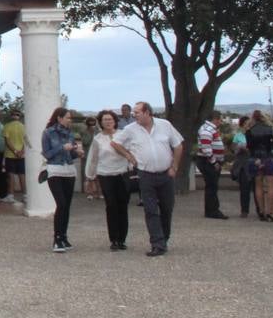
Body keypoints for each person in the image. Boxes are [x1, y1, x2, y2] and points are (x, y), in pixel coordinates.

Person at [111, 101, 184, 257]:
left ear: (147, 112)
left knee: (167, 208)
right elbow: (115, 143)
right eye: (134, 112)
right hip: (145, 174)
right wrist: (129, 156)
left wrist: (174, 167)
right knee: (150, 210)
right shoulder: (131, 129)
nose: (134, 115)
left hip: (166, 174)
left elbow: (178, 146)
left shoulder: (165, 125)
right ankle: (157, 243)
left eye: (137, 112)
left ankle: (164, 238)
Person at [84, 109, 131, 250]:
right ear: (101, 122)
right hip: (106, 174)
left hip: (122, 173)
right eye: (105, 120)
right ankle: (114, 239)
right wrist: (90, 176)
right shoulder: (98, 139)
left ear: (115, 121)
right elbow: (93, 158)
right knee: (111, 206)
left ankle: (122, 238)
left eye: (110, 119)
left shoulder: (123, 135)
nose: (108, 122)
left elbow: (131, 151)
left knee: (123, 205)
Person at [41, 107, 84, 252]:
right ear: (59, 118)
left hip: (69, 171)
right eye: (67, 117)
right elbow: (47, 154)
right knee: (61, 203)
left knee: (67, 205)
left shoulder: (70, 134)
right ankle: (57, 238)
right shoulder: (48, 133)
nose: (70, 120)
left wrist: (77, 153)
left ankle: (64, 236)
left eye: (70, 118)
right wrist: (61, 148)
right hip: (55, 170)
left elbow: (70, 155)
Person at [245, 110, 273, 222]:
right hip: (268, 157)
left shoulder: (249, 131)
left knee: (258, 185)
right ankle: (270, 212)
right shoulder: (269, 129)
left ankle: (261, 211)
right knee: (271, 186)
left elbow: (249, 146)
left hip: (255, 158)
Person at [195, 111, 229, 219]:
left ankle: (212, 209)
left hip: (209, 161)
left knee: (212, 186)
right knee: (211, 186)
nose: (220, 122)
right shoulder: (206, 130)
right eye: (220, 120)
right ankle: (212, 210)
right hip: (208, 161)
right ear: (215, 119)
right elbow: (206, 148)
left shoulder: (210, 129)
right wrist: (214, 161)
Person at [230, 115, 257, 218]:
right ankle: (244, 210)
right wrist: (238, 148)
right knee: (244, 188)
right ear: (242, 125)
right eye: (246, 124)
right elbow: (233, 149)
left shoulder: (255, 135)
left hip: (253, 162)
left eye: (249, 124)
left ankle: (260, 209)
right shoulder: (238, 136)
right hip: (242, 163)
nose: (248, 126)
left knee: (256, 188)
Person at [1, 110, 28, 203]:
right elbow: (26, 141)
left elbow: (7, 141)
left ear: (11, 116)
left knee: (11, 175)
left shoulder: (7, 126)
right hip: (21, 155)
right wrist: (21, 151)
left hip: (10, 155)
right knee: (22, 175)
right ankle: (25, 196)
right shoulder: (24, 127)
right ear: (19, 117)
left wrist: (15, 151)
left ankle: (11, 196)